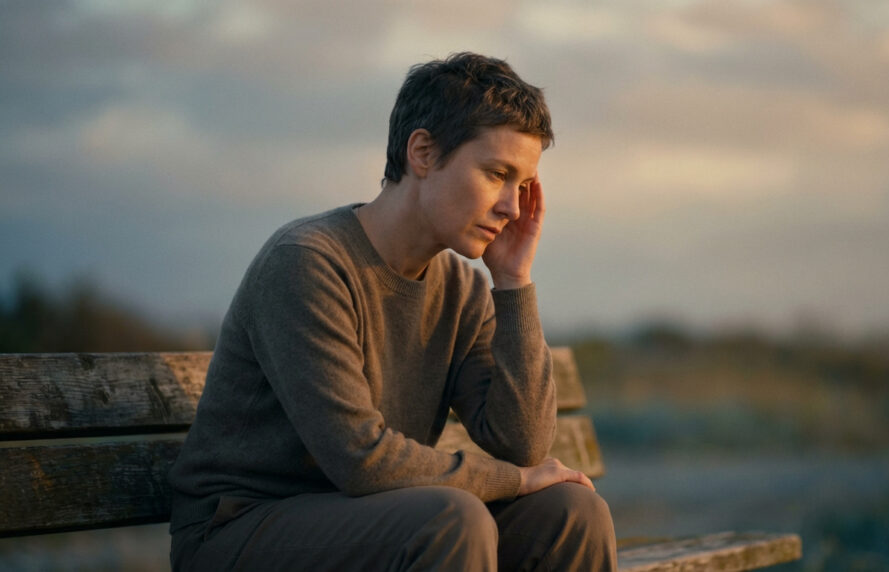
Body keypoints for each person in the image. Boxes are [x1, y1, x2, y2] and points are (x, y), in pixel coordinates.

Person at [166, 52, 617, 571]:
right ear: (423, 153)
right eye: (497, 174)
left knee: (571, 512)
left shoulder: (462, 292)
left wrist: (513, 282)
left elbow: (523, 444)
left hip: (375, 517)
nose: (513, 208)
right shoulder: (308, 263)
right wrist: (512, 482)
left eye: (522, 186)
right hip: (241, 528)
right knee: (450, 520)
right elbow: (360, 458)